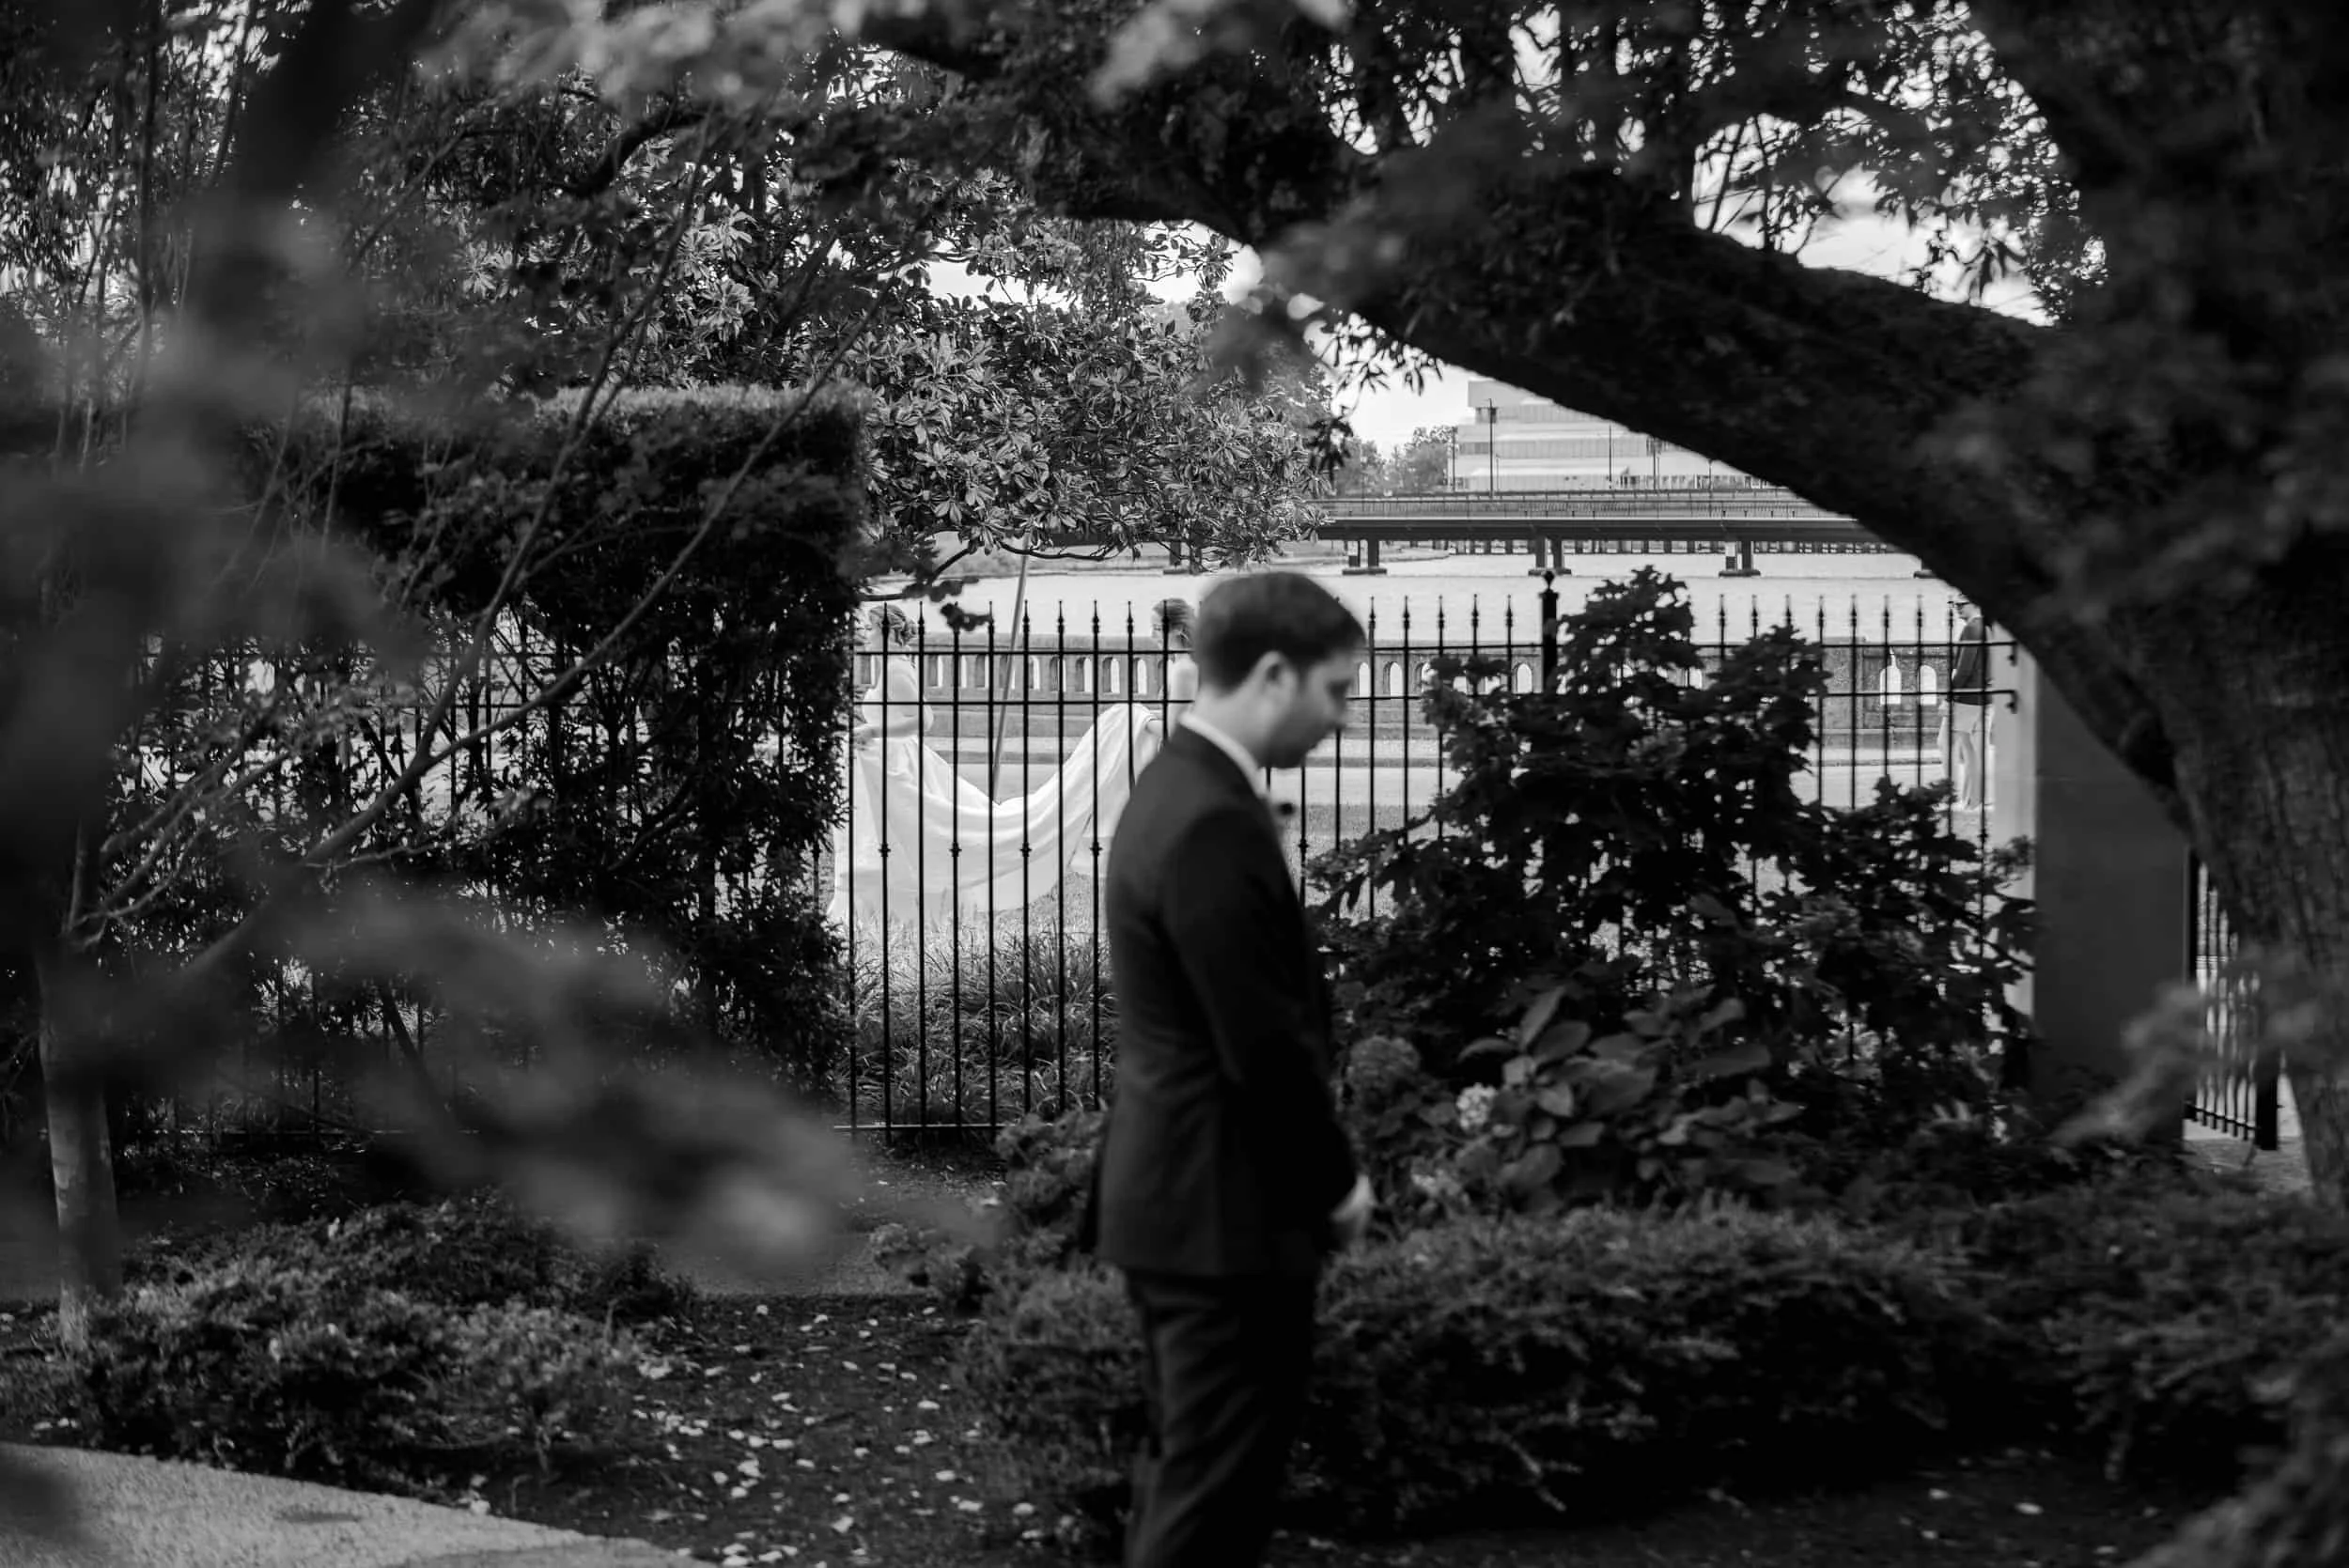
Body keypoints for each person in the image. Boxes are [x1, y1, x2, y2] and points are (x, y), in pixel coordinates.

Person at [1080, 571, 1375, 1568]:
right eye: (1336, 691)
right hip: (1222, 1211)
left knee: (1191, 1482)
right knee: (1210, 1503)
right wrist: (1333, 1186)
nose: (1339, 717)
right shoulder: (1211, 818)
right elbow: (1260, 1040)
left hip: (1187, 1200)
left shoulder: (1177, 789)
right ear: (1275, 672)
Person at [1943, 601, 1992, 809]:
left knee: (1956, 746)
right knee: (1974, 750)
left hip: (1968, 697)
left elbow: (1964, 668)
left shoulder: (1972, 628)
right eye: (1954, 604)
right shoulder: (1987, 628)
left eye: (1961, 603)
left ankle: (1963, 797)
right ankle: (1972, 798)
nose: (1957, 608)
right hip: (1984, 695)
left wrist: (1949, 697)